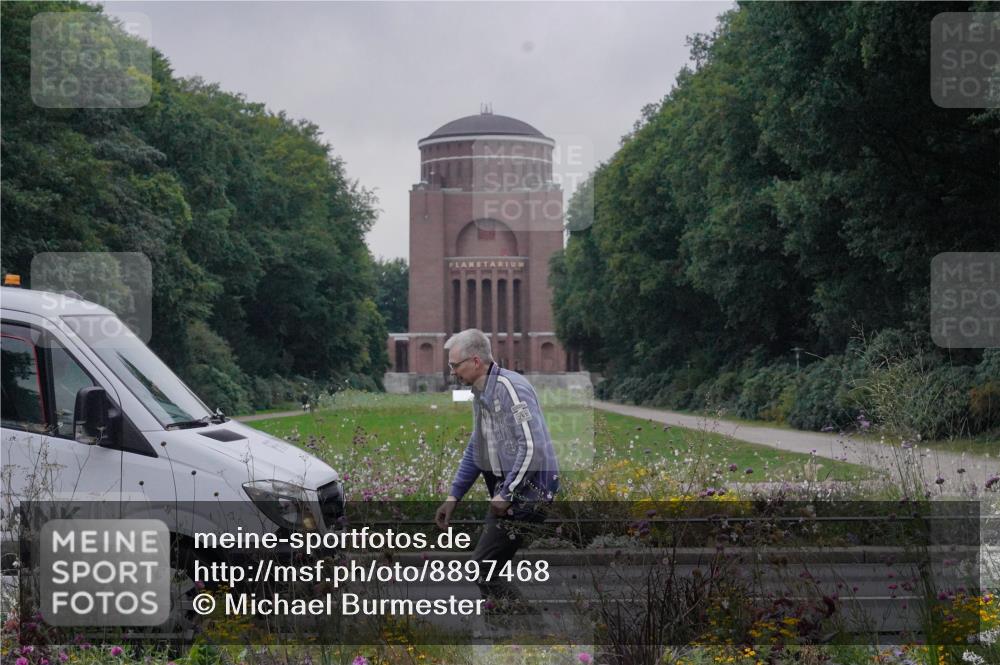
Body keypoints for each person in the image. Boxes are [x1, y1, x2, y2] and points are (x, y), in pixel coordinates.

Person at [435, 328, 559, 613]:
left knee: (482, 568)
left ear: (476, 361)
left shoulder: (511, 389)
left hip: (529, 495)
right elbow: (476, 449)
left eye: (455, 365)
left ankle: (528, 631)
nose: (452, 372)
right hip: (510, 495)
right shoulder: (481, 395)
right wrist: (454, 497)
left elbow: (533, 446)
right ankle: (510, 633)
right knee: (487, 569)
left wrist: (508, 493)